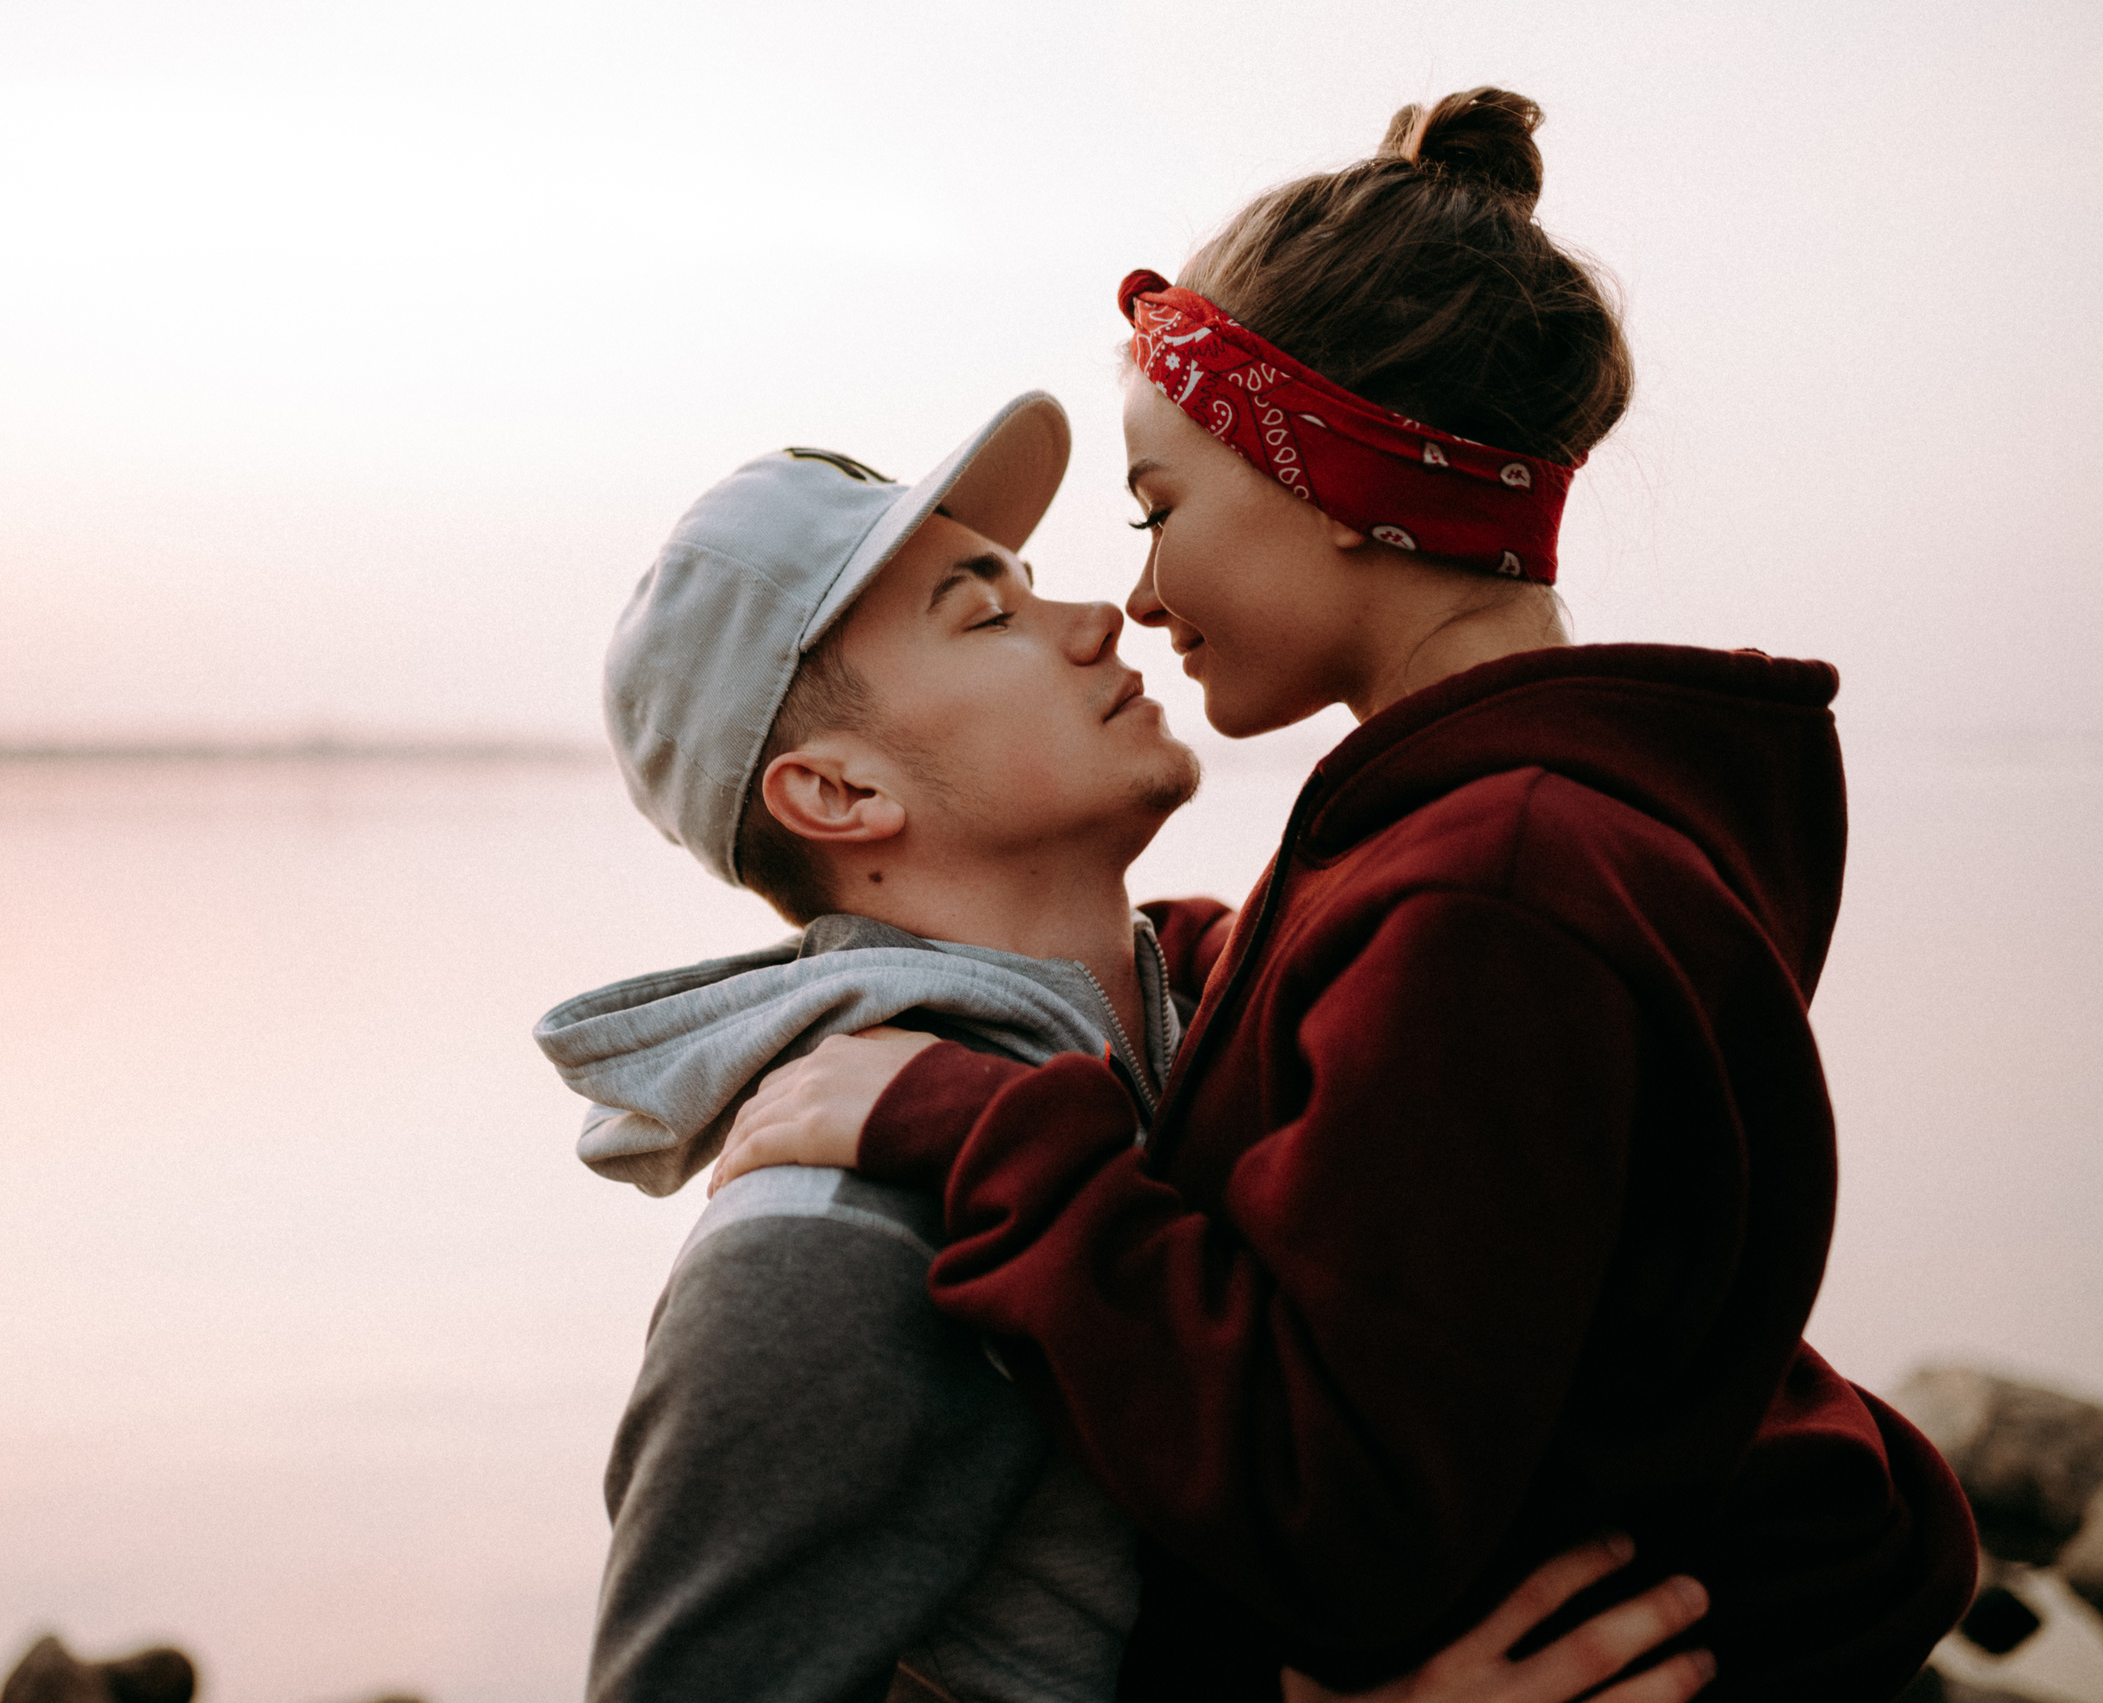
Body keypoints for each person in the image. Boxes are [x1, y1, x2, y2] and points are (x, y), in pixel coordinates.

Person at [710, 89, 1980, 1700]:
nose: (1145, 593)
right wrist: (1158, 972)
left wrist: (970, 1127)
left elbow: (1332, 1512)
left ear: (1342, 475)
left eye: (1159, 505)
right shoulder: (1507, 838)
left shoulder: (1493, 893)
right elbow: (1454, 1213)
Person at [540, 395, 1715, 1702]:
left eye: (1030, 585)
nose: (1099, 618)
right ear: (840, 793)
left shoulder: (1221, 1047)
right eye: (987, 616)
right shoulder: (829, 1230)